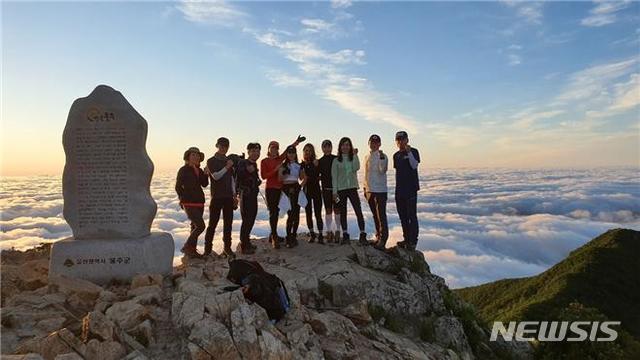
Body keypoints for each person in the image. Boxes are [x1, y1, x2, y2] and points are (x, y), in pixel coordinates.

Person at [260, 135, 304, 249]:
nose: (274, 149)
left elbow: (288, 151)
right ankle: (274, 236)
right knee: (273, 213)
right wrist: (275, 170)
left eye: (276, 148)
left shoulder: (280, 159)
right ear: (269, 149)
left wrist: (297, 142)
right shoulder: (264, 161)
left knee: (284, 212)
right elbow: (264, 176)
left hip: (282, 189)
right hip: (271, 189)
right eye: (272, 147)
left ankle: (273, 234)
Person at [331, 137, 367, 245]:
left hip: (352, 188)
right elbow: (334, 177)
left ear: (350, 146)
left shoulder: (353, 158)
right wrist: (334, 192)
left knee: (358, 211)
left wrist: (355, 155)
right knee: (343, 212)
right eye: (343, 145)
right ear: (340, 147)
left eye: (347, 145)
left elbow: (356, 167)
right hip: (341, 189)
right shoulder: (336, 161)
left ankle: (362, 234)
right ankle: (345, 235)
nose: (345, 147)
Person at [204, 137, 236, 258]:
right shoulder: (211, 161)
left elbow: (232, 179)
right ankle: (207, 249)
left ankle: (227, 248)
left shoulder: (229, 161)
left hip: (228, 196)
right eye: (222, 146)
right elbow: (216, 176)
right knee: (213, 223)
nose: (224, 148)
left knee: (228, 224)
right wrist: (227, 167)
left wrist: (234, 195)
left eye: (226, 146)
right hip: (217, 197)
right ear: (217, 145)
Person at [175, 147, 209, 258]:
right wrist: (182, 198)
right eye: (193, 155)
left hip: (199, 202)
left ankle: (192, 251)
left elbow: (204, 184)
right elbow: (178, 186)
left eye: (197, 155)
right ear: (188, 157)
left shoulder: (198, 170)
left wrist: (206, 174)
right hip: (188, 202)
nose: (196, 157)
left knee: (194, 226)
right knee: (200, 226)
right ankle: (187, 246)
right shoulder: (183, 170)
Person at [393, 131, 420, 250]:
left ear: (407, 140)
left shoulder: (414, 151)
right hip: (400, 190)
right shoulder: (396, 155)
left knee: (412, 216)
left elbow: (414, 165)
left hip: (411, 189)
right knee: (403, 216)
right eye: (398, 140)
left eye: (403, 139)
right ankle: (406, 239)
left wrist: (409, 153)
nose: (400, 142)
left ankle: (413, 242)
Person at [363, 134, 389, 250]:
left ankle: (383, 239)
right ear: (369, 143)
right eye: (372, 142)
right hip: (369, 189)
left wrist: (382, 159)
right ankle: (378, 236)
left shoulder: (383, 156)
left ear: (379, 144)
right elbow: (366, 173)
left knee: (381, 215)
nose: (374, 144)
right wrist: (365, 188)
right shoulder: (366, 156)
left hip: (380, 190)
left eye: (376, 142)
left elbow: (382, 170)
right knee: (375, 215)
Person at [236, 142, 262, 255]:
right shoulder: (243, 163)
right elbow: (239, 175)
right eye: (253, 151)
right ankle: (244, 245)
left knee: (251, 218)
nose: (256, 153)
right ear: (248, 152)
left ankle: (247, 242)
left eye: (257, 151)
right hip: (245, 196)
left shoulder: (254, 164)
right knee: (247, 219)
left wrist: (257, 180)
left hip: (252, 195)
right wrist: (248, 170)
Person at [278, 145, 306, 248]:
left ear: (295, 154)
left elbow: (302, 178)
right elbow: (280, 179)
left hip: (296, 187)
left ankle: (294, 236)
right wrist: (285, 173)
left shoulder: (298, 165)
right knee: (290, 214)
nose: (291, 154)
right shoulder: (283, 165)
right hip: (286, 188)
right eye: (289, 153)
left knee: (296, 213)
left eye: (293, 152)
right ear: (287, 154)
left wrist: (302, 169)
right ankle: (289, 236)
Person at [318, 140, 340, 243]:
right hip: (326, 190)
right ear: (322, 148)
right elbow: (316, 175)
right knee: (328, 210)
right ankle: (329, 231)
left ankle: (338, 231)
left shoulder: (336, 159)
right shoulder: (320, 161)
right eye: (325, 146)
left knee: (337, 210)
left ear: (331, 147)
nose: (327, 148)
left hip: (337, 190)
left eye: (328, 146)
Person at [301, 143, 324, 244]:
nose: (307, 152)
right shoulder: (302, 164)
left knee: (318, 213)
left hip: (316, 190)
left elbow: (323, 175)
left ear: (312, 152)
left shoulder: (317, 162)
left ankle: (320, 234)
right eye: (305, 150)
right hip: (307, 191)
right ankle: (312, 234)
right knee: (308, 213)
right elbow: (301, 178)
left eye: (309, 150)